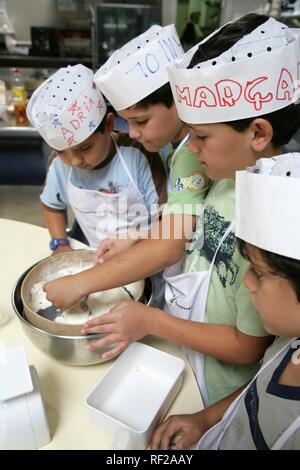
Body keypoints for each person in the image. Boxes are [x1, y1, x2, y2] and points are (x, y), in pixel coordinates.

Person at [72, 12, 300, 408]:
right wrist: (138, 238)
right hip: (189, 354)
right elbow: (190, 231)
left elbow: (248, 347)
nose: (190, 150)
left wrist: (152, 321)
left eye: (201, 135)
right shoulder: (226, 178)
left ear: (259, 133)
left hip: (216, 387)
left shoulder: (270, 223)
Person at [43, 25, 211, 308]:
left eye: (141, 121)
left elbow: (171, 242)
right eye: (128, 121)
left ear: (179, 98)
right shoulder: (175, 147)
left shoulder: (192, 156)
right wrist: (134, 236)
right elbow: (175, 221)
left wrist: (81, 283)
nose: (131, 133)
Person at [149, 153, 300, 450]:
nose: (247, 282)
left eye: (258, 272)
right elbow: (258, 388)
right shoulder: (287, 342)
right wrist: (205, 420)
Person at [26, 64, 167, 252]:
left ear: (108, 125)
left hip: (146, 257)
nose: (74, 161)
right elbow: (51, 205)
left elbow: (167, 221)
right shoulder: (58, 164)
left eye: (85, 147)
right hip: (95, 258)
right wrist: (60, 244)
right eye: (61, 151)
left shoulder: (140, 155)